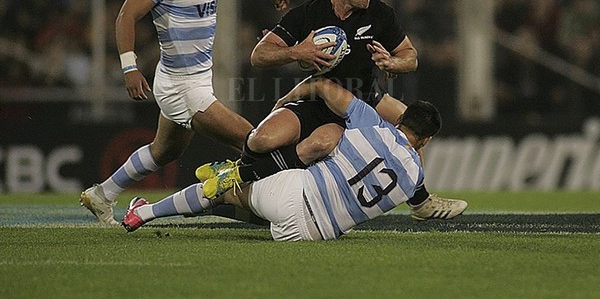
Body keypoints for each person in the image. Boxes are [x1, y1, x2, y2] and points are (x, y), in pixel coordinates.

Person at [200, 0, 467, 220]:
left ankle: (420, 201)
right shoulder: (309, 14)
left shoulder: (380, 15)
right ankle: (237, 175)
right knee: (262, 140)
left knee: (411, 127)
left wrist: (392, 62)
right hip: (315, 99)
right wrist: (297, 52)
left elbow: (410, 56)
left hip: (358, 106)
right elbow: (259, 55)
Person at [80, 0, 290, 225]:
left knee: (164, 151)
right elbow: (126, 15)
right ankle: (274, 209)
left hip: (192, 80)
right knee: (253, 140)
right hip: (183, 86)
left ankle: (102, 194)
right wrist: (129, 67)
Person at [122, 77, 450, 241]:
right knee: (253, 208)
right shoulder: (414, 179)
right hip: (312, 235)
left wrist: (287, 99)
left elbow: (324, 86)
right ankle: (240, 182)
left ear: (399, 119)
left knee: (224, 190)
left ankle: (145, 212)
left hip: (292, 196)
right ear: (426, 140)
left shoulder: (372, 123)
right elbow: (417, 192)